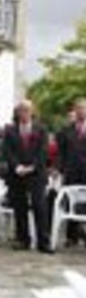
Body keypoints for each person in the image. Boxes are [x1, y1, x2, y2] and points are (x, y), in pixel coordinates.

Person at [1, 100, 52, 253]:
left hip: (36, 174)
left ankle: (43, 241)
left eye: (27, 110)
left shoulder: (41, 129)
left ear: (32, 112)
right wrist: (17, 166)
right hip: (17, 174)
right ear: (17, 112)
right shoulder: (10, 130)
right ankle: (23, 239)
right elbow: (7, 151)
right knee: (19, 206)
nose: (24, 113)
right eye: (21, 110)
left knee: (39, 206)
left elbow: (43, 151)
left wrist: (32, 167)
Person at [57, 98, 86, 244]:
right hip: (71, 171)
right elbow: (61, 152)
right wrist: (61, 169)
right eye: (78, 108)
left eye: (83, 108)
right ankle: (71, 236)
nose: (81, 111)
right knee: (70, 202)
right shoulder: (66, 130)